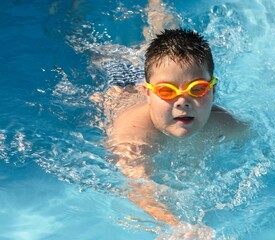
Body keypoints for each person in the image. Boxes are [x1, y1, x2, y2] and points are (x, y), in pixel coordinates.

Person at [91, 1, 248, 239]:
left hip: (158, 75)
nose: (182, 101)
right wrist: (175, 225)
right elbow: (137, 186)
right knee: (97, 52)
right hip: (121, 83)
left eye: (197, 89)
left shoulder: (225, 122)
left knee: (169, 44)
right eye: (167, 92)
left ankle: (157, 5)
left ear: (214, 92)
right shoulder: (134, 134)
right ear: (149, 95)